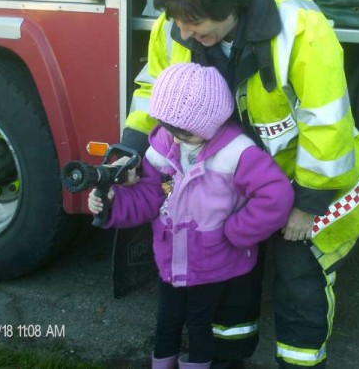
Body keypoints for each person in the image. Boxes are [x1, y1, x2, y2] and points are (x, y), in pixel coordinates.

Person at [121, 0, 359, 369]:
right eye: (178, 22)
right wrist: (130, 150)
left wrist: (306, 204)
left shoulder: (301, 28)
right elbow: (153, 92)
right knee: (232, 275)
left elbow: (327, 125)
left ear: (234, 7)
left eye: (196, 25)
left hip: (313, 181)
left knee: (299, 277)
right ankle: (227, 357)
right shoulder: (176, 24)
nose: (184, 34)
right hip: (238, 182)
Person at [89, 62, 294, 369]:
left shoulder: (237, 152)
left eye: (182, 131)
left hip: (213, 261)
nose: (173, 136)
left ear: (209, 122)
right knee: (166, 320)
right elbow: (149, 195)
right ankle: (162, 362)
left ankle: (197, 363)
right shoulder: (162, 145)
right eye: (167, 126)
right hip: (171, 257)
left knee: (200, 324)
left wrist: (236, 232)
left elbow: (276, 195)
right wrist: (112, 205)